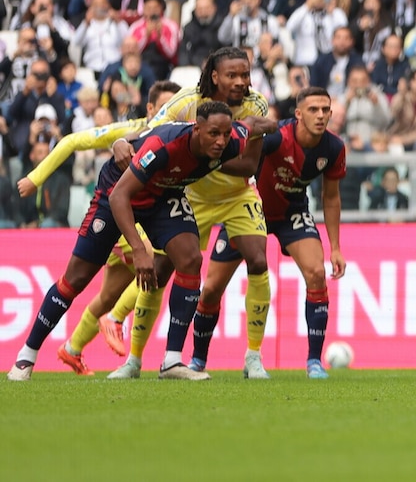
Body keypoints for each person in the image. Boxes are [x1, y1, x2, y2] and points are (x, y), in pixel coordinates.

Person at [7, 101, 272, 381]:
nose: (220, 141)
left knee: (190, 259)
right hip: (118, 194)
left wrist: (274, 125)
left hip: (163, 196)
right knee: (76, 279)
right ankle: (27, 355)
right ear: (197, 129)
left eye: (225, 134)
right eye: (213, 134)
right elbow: (120, 196)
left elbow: (253, 125)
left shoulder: (231, 141)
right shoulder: (162, 146)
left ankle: (171, 361)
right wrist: (139, 250)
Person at [107, 47, 273, 381]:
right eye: (232, 75)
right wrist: (122, 142)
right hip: (190, 192)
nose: (241, 82)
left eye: (245, 74)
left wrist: (206, 153)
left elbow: (250, 164)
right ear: (214, 76)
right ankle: (134, 360)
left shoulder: (256, 105)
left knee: (258, 258)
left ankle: (253, 358)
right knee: (159, 270)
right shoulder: (186, 101)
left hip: (236, 193)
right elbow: (151, 132)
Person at [14, 81, 181, 373]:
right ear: (152, 109)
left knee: (107, 295)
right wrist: (35, 178)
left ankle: (73, 348)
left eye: (176, 108)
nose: (173, 114)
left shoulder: (183, 136)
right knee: (151, 268)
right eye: (166, 108)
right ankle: (111, 322)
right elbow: (71, 141)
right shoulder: (132, 129)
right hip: (119, 214)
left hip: (148, 215)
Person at [199, 87, 346, 379]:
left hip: (292, 213)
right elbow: (241, 159)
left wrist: (336, 248)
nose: (320, 116)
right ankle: (196, 360)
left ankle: (314, 362)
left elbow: (331, 197)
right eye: (314, 110)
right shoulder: (276, 138)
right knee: (212, 288)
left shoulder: (333, 148)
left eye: (325, 110)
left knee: (317, 273)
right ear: (298, 114)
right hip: (249, 212)